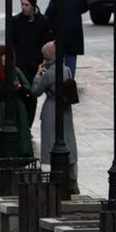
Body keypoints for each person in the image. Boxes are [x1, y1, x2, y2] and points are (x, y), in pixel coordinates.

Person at [0, 46, 34, 163]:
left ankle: (20, 163)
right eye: (4, 56)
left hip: (17, 108)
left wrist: (20, 88)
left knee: (21, 138)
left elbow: (28, 89)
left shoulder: (15, 71)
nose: (7, 59)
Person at [33, 41, 76, 171]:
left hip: (51, 109)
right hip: (66, 108)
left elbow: (35, 92)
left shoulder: (49, 74)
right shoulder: (67, 70)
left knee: (51, 140)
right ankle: (70, 162)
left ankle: (54, 169)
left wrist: (37, 75)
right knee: (68, 138)